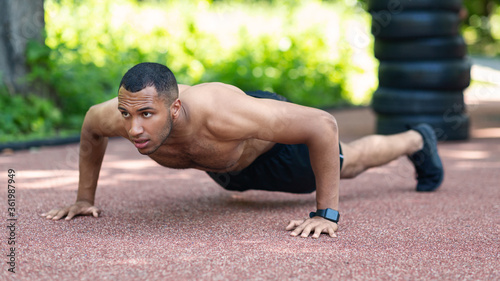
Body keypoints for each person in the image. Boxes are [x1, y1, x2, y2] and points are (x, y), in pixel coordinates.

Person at [41, 62, 444, 239]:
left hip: (271, 149)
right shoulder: (120, 116)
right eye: (127, 114)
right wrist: (83, 198)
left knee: (348, 162)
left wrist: (327, 214)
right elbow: (91, 130)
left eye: (147, 114)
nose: (134, 129)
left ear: (175, 108)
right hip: (228, 164)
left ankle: (416, 140)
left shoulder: (222, 115)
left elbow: (323, 124)